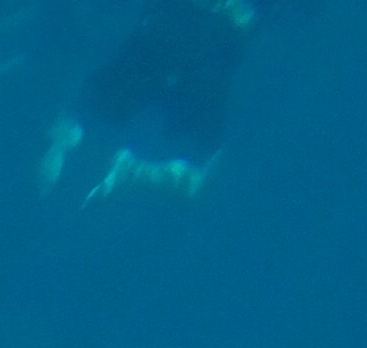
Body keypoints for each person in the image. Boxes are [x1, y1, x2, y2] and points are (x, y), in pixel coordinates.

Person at [42, 0, 272, 199]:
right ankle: (120, 165)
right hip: (180, 43)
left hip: (187, 46)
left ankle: (126, 168)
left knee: (196, 170)